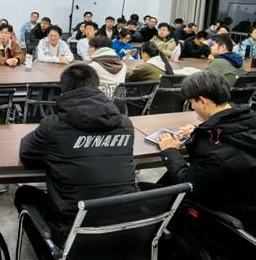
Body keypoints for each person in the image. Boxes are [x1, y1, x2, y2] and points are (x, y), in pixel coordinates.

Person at [15, 64, 138, 256]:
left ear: (63, 90)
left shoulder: (53, 126)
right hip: (128, 230)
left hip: (73, 237)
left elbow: (27, 154)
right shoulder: (125, 124)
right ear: (97, 86)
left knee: (24, 194)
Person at [157, 71, 256, 238]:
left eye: (191, 102)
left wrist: (170, 151)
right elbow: (232, 138)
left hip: (230, 215)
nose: (191, 108)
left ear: (202, 101)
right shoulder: (248, 117)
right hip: (245, 195)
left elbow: (186, 183)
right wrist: (202, 130)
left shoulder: (214, 151)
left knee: (165, 184)